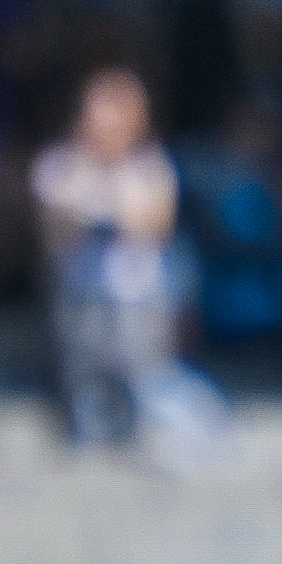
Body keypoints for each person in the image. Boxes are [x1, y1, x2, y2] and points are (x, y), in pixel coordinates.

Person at [31, 67, 207, 455]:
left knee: (145, 375)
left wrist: (107, 203)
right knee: (83, 375)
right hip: (80, 294)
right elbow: (55, 229)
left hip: (137, 297)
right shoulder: (60, 164)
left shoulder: (150, 167)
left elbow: (152, 225)